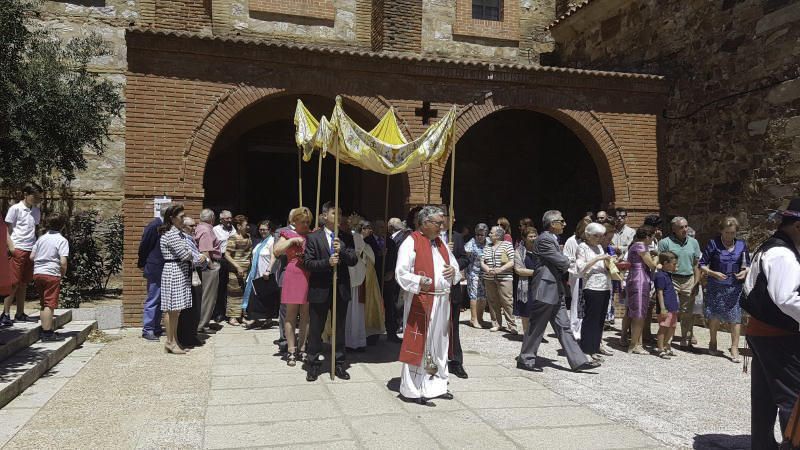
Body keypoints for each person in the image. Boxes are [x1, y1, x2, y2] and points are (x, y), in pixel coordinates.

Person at [741, 199, 800, 449]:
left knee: (765, 396)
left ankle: (762, 445)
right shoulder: (782, 254)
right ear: (797, 225)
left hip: (765, 333)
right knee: (792, 398)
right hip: (777, 336)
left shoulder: (774, 248)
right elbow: (787, 298)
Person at [517, 210, 599, 373]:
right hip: (545, 288)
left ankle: (578, 360)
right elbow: (560, 261)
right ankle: (526, 358)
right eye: (561, 221)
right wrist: (576, 260)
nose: (564, 224)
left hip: (555, 289)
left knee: (564, 326)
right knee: (537, 326)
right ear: (552, 224)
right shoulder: (545, 239)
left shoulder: (552, 239)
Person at [395, 206, 461, 405]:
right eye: (438, 223)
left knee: (439, 344)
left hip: (442, 300)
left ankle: (437, 386)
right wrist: (418, 281)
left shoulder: (441, 243)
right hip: (422, 300)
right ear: (425, 223)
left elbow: (455, 267)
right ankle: (413, 390)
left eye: (442, 223)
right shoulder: (411, 242)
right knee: (420, 345)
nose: (442, 227)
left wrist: (453, 272)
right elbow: (401, 272)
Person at [303, 202, 358, 381]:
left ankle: (340, 363)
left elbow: (353, 259)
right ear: (324, 216)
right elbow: (308, 263)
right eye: (335, 213)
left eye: (340, 213)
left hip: (340, 289)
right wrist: (327, 263)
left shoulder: (345, 236)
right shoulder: (314, 238)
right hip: (320, 290)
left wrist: (341, 249)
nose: (339, 217)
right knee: (316, 329)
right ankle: (313, 363)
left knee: (339, 328)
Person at [700, 216, 750, 363]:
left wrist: (744, 272)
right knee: (715, 314)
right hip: (716, 286)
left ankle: (734, 347)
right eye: (727, 232)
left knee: (735, 317)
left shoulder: (741, 245)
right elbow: (702, 264)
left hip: (734, 286)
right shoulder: (713, 244)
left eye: (732, 233)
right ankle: (713, 341)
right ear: (721, 231)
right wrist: (713, 273)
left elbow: (746, 264)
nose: (729, 236)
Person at [273, 207, 312, 367]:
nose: (305, 224)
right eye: (302, 222)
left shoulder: (312, 235)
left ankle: (303, 348)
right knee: (290, 315)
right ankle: (291, 349)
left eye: (308, 222)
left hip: (309, 274)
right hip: (293, 273)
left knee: (305, 315)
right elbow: (276, 251)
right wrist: (290, 241)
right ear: (294, 221)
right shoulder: (286, 234)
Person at [658, 216, 702, 350]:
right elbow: (662, 263)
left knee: (687, 312)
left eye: (686, 226)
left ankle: (685, 338)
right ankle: (667, 342)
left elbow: (696, 265)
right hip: (672, 279)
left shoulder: (694, 242)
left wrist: (696, 282)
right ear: (673, 229)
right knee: (671, 310)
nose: (685, 229)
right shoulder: (665, 242)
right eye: (681, 227)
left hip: (688, 279)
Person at [3, 182, 43, 326]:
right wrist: (11, 247)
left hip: (30, 250)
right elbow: (6, 230)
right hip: (18, 248)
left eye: (39, 197)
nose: (38, 199)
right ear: (25, 195)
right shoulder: (15, 209)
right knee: (13, 283)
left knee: (24, 283)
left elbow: (35, 230)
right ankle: (5, 314)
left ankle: (20, 313)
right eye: (35, 196)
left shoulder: (36, 211)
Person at [158, 204, 194, 354]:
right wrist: (189, 252)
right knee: (171, 309)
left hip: (179, 270)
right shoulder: (171, 234)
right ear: (172, 218)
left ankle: (174, 340)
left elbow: (188, 252)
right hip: (173, 271)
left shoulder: (178, 233)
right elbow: (186, 255)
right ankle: (169, 341)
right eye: (181, 217)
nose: (183, 219)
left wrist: (189, 251)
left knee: (176, 310)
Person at [574, 223, 613, 361]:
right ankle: (586, 349)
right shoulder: (582, 247)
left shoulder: (599, 247)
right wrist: (598, 258)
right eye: (596, 236)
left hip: (604, 286)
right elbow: (580, 268)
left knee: (600, 320)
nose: (598, 239)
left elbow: (603, 265)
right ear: (588, 235)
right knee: (591, 319)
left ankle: (595, 347)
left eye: (600, 236)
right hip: (591, 286)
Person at [29, 213, 68, 341]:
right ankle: (47, 333)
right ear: (62, 226)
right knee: (49, 304)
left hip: (38, 273)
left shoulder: (41, 239)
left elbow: (32, 257)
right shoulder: (62, 240)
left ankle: (45, 329)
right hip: (52, 273)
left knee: (43, 303)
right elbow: (63, 261)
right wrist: (62, 273)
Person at [441, 211, 470, 379]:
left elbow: (465, 259)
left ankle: (456, 361)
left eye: (452, 217)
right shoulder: (431, 238)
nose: (451, 219)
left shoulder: (457, 237)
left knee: (453, 325)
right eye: (447, 216)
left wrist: (454, 264)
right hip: (436, 289)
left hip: (452, 288)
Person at [624, 226, 658, 353]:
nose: (653, 240)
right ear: (648, 237)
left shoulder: (634, 246)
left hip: (635, 278)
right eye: (652, 237)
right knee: (639, 313)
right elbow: (652, 265)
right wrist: (657, 257)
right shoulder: (641, 246)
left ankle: (638, 342)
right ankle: (634, 345)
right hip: (640, 279)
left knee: (638, 311)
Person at [137, 202, 166, 340]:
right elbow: (144, 245)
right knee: (153, 298)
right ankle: (148, 329)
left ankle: (156, 327)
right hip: (154, 267)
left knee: (160, 299)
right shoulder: (154, 225)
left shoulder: (164, 227)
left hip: (162, 267)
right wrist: (141, 263)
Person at [176, 216, 206, 348]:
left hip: (194, 271)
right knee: (191, 307)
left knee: (195, 306)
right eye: (191, 226)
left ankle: (190, 335)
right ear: (183, 227)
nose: (195, 229)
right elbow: (192, 258)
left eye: (195, 226)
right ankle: (187, 337)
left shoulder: (190, 239)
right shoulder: (183, 239)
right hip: (189, 273)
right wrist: (202, 257)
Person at [482, 226, 518, 334]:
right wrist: (487, 269)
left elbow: (512, 261)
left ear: (497, 235)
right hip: (489, 277)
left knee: (507, 301)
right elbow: (482, 261)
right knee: (492, 301)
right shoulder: (487, 246)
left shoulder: (507, 245)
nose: (489, 235)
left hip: (504, 277)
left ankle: (512, 325)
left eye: (491, 233)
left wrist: (500, 269)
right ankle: (496, 324)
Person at [345, 216, 372, 351]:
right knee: (351, 310)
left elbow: (366, 255)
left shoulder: (359, 239)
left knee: (356, 310)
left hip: (358, 276)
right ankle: (350, 341)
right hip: (350, 276)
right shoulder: (352, 238)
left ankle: (357, 341)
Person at [243, 220, 276, 328]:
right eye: (260, 229)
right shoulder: (261, 242)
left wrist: (268, 270)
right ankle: (255, 319)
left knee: (265, 299)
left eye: (264, 229)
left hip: (265, 274)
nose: (262, 231)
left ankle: (267, 319)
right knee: (255, 299)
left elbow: (273, 257)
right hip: (255, 275)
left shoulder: (271, 241)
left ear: (270, 230)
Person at [223, 215, 252, 326]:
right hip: (236, 271)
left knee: (244, 293)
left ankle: (241, 315)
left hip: (247, 270)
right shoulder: (233, 238)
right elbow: (227, 254)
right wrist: (237, 266)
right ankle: (232, 317)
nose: (247, 227)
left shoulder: (248, 236)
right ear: (239, 226)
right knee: (234, 293)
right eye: (245, 225)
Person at [195, 209, 221, 334]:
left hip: (204, 266)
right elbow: (205, 251)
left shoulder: (200, 227)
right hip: (209, 266)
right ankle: (202, 325)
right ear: (212, 218)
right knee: (208, 296)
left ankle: (202, 322)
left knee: (204, 295)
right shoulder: (206, 230)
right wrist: (212, 267)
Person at [564, 217, 591, 335]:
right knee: (576, 302)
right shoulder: (571, 241)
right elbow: (566, 258)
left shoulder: (590, 242)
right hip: (577, 275)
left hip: (589, 276)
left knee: (586, 303)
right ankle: (574, 329)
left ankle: (584, 327)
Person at [654, 252, 679, 359]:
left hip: (672, 306)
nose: (675, 266)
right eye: (673, 264)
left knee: (672, 327)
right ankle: (660, 349)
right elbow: (659, 292)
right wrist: (662, 308)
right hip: (665, 307)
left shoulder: (667, 274)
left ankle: (665, 345)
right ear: (665, 263)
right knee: (663, 327)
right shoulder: (660, 276)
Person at [514, 226, 538, 334]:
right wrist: (538, 273)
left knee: (538, 310)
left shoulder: (541, 250)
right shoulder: (519, 251)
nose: (533, 238)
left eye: (535, 236)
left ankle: (536, 333)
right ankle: (526, 334)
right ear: (524, 238)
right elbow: (519, 270)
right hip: (525, 285)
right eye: (530, 236)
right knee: (526, 310)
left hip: (540, 284)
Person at [465, 223, 489, 328]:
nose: (479, 237)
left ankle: (480, 317)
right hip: (473, 272)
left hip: (485, 273)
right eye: (478, 234)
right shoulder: (471, 243)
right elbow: (465, 255)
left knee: (483, 296)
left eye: (482, 235)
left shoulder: (489, 242)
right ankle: (473, 319)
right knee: (474, 295)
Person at [213, 210, 235, 323]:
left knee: (231, 287)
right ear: (221, 219)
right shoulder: (215, 230)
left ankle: (231, 313)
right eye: (227, 218)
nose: (229, 220)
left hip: (233, 260)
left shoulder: (234, 229)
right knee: (220, 287)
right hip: (221, 259)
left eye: (230, 218)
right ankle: (219, 313)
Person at [383, 217, 403, 342]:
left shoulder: (389, 242)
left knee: (390, 305)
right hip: (374, 278)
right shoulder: (368, 240)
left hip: (389, 277)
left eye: (382, 227)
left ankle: (391, 332)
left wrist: (391, 271)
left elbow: (395, 257)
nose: (381, 230)